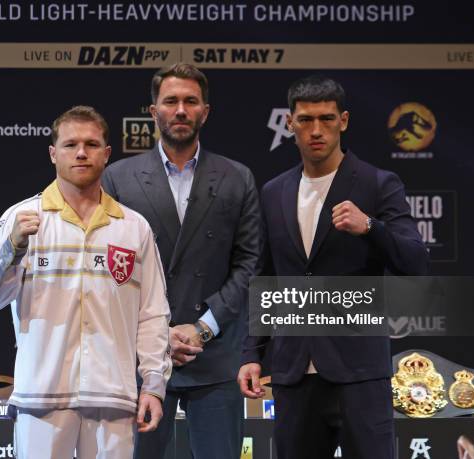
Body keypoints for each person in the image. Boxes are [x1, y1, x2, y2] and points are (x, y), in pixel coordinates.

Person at [238, 75, 428, 459]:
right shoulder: (274, 191)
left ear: (344, 120)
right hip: (293, 373)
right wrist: (251, 354)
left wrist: (371, 227)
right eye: (306, 120)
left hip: (358, 373)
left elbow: (415, 260)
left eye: (326, 119)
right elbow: (266, 279)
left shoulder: (378, 184)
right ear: (289, 123)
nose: (316, 131)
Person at [0, 106, 171, 459]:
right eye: (70, 145)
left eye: (91, 144)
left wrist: (154, 386)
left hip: (112, 396)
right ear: (53, 154)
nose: (81, 152)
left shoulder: (133, 227)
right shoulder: (21, 218)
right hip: (41, 397)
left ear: (106, 154)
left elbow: (153, 314)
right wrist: (13, 247)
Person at [102, 63, 260, 459]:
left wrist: (201, 329)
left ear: (205, 111)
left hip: (214, 356)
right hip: (141, 362)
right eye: (170, 101)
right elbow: (106, 270)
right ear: (153, 111)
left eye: (191, 101)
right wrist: (161, 337)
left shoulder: (237, 177)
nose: (181, 110)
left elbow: (250, 264)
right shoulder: (118, 179)